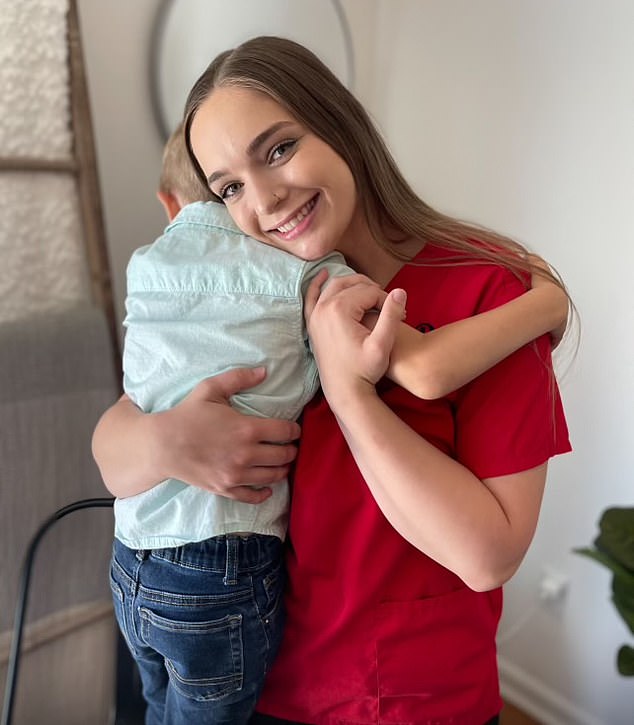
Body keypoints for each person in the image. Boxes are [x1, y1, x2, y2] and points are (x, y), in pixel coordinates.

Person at [93, 36, 572, 725]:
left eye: (279, 148)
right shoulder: (256, 285)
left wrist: (350, 394)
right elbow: (112, 446)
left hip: (416, 706)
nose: (264, 199)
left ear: (340, 122)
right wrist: (165, 440)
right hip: (258, 684)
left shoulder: (488, 291)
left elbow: (487, 554)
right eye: (229, 186)